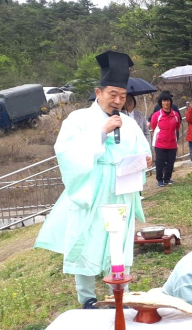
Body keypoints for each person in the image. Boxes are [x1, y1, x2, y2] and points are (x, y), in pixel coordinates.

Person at [34, 51, 152, 308]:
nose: (118, 101)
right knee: (87, 236)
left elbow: (144, 151)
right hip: (92, 188)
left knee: (119, 240)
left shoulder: (129, 123)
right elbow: (65, 152)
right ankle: (87, 296)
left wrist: (145, 160)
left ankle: (121, 291)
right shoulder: (78, 119)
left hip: (122, 188)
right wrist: (101, 132)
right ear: (98, 93)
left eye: (122, 96)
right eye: (113, 95)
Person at [150, 91, 181, 187]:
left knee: (170, 162)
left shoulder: (175, 115)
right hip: (160, 144)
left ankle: (167, 178)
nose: (166, 103)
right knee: (160, 162)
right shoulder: (156, 115)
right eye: (164, 101)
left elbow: (177, 126)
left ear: (171, 102)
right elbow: (153, 126)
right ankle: (160, 179)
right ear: (161, 102)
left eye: (167, 101)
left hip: (172, 143)